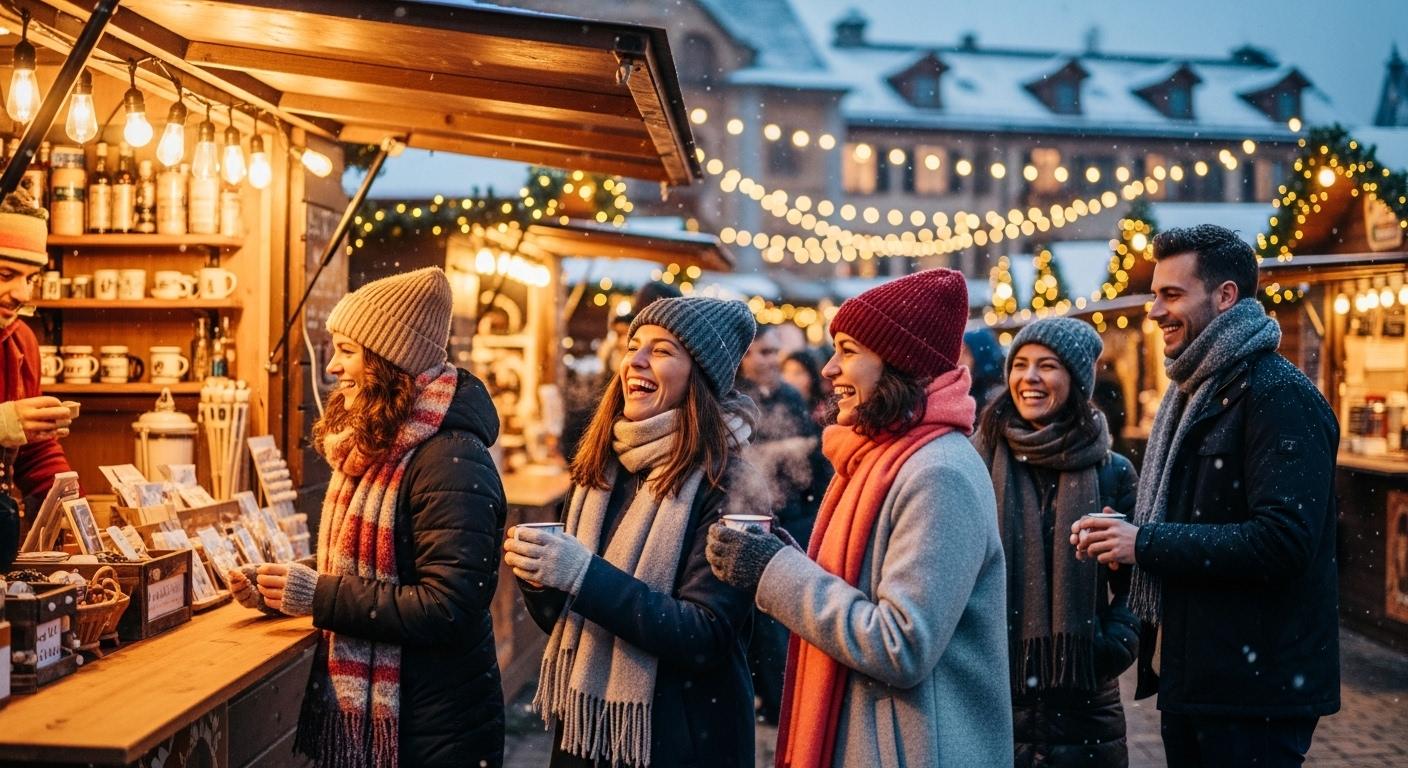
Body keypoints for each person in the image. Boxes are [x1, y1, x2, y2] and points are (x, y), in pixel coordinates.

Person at [707, 268, 1012, 767]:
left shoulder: (938, 471)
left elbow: (900, 644)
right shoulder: (877, 455)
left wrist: (774, 571)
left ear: (897, 364)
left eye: (848, 351)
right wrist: (783, 556)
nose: (828, 369)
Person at [1072, 224, 1340, 767]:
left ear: (1225, 296)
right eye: (1155, 294)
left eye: (1172, 294)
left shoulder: (1277, 395)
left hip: (1254, 693)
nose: (1154, 311)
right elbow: (1202, 515)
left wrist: (1144, 542)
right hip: (1199, 679)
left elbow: (1283, 541)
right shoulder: (1195, 390)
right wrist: (1122, 537)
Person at [229, 267, 508, 767]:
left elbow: (448, 606)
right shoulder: (380, 447)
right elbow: (378, 571)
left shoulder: (450, 457)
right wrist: (285, 590)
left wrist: (319, 595)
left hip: (432, 728)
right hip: (410, 720)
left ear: (389, 361)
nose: (333, 367)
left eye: (347, 350)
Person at [505, 296, 760, 767]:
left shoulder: (729, 481)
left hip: (680, 737)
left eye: (662, 350)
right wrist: (540, 577)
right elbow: (568, 619)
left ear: (699, 375)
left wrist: (583, 574)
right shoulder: (605, 462)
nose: (636, 361)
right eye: (633, 346)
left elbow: (705, 634)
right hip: (588, 733)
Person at [972, 317, 1139, 767]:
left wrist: (1112, 644)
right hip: (992, 691)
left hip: (1083, 700)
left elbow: (1138, 581)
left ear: (1077, 379)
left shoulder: (1112, 471)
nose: (1029, 378)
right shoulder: (976, 459)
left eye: (1047, 366)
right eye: (1020, 364)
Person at [735, 325, 832, 725]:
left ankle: (780, 704)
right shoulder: (734, 397)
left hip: (791, 516)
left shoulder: (791, 397)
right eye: (762, 353)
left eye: (774, 353)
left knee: (779, 620)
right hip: (743, 516)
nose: (771, 361)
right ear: (744, 357)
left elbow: (810, 453)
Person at [0, 193, 74, 571]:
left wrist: (65, 501)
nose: (21, 294)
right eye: (4, 275)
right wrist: (5, 423)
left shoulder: (21, 341)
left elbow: (33, 453)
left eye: (29, 278)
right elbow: (9, 425)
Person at [963, 327, 1007, 417]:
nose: (960, 359)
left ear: (980, 355)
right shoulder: (971, 387)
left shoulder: (995, 397)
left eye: (966, 352)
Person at [782, 347, 829, 425]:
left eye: (797, 373)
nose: (789, 378)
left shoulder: (824, 411)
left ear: (811, 375)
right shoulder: (783, 407)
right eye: (786, 372)